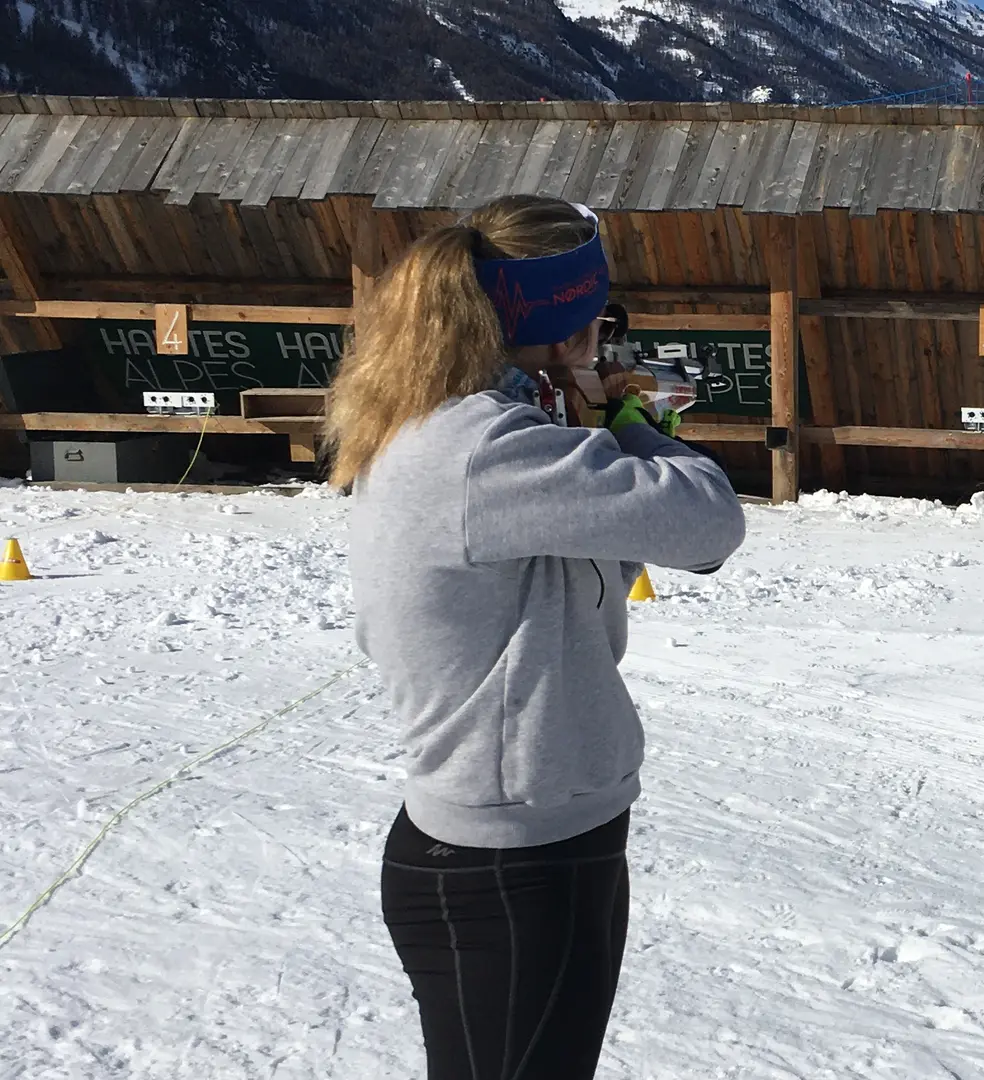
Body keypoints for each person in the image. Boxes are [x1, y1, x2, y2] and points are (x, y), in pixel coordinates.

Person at [324, 194, 745, 1080]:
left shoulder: (461, 425)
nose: (606, 342)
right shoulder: (484, 451)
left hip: (530, 835)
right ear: (562, 332)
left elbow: (622, 540)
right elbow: (706, 527)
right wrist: (636, 426)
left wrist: (596, 422)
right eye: (599, 326)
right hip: (512, 860)